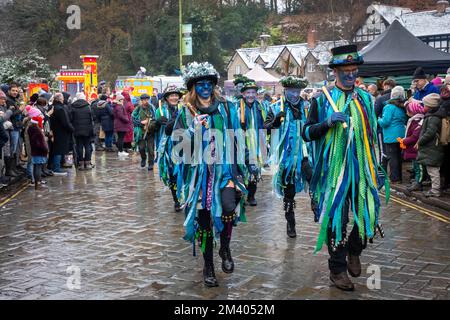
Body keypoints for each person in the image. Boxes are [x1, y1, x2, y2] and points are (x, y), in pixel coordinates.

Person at [303, 45, 385, 291]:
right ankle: (337, 270)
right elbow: (307, 133)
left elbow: (373, 137)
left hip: (361, 169)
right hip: (334, 172)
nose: (351, 75)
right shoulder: (321, 100)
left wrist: (377, 167)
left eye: (354, 70)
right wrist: (327, 123)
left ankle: (354, 249)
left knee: (368, 214)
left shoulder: (366, 99)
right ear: (335, 71)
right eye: (346, 70)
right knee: (337, 218)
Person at [168, 62, 247, 287]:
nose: (205, 88)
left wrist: (239, 170)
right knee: (203, 220)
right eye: (200, 84)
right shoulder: (185, 112)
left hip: (224, 171)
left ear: (214, 85)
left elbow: (236, 139)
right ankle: (208, 264)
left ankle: (225, 246)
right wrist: (192, 130)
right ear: (193, 87)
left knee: (228, 208)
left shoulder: (227, 108)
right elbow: (177, 149)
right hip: (199, 175)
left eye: (209, 84)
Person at [264, 76, 311, 238]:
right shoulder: (276, 107)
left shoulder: (307, 107)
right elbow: (266, 129)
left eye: (297, 91)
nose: (295, 94)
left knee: (313, 176)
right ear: (285, 90)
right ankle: (290, 223)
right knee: (288, 192)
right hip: (286, 157)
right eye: (291, 91)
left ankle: (316, 203)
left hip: (306, 153)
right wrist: (275, 121)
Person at [237, 80, 267, 207]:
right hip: (241, 142)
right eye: (248, 92)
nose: (251, 95)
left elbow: (264, 124)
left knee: (255, 169)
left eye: (253, 92)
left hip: (256, 142)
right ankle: (240, 194)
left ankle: (251, 195)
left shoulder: (260, 107)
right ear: (243, 94)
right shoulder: (237, 107)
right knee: (242, 169)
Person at [155, 85, 183, 212]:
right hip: (167, 147)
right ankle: (176, 200)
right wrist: (157, 122)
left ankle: (185, 196)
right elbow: (157, 128)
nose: (174, 97)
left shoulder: (184, 109)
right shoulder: (160, 111)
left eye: (176, 95)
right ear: (166, 98)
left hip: (183, 145)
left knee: (184, 171)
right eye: (171, 95)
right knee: (172, 173)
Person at [378, 86, 408, 184]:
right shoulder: (402, 106)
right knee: (399, 157)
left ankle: (395, 178)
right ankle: (399, 177)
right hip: (401, 134)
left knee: (393, 157)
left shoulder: (389, 107)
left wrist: (378, 119)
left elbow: (385, 122)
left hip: (391, 135)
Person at [417, 93, 445, 198]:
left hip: (433, 147)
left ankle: (435, 190)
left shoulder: (433, 117)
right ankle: (434, 189)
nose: (423, 107)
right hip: (432, 147)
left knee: (433, 170)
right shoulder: (433, 116)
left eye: (424, 105)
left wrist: (420, 141)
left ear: (429, 106)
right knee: (432, 169)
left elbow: (430, 133)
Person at [399, 101, 425, 192]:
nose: (406, 112)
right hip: (413, 149)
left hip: (416, 148)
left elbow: (415, 136)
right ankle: (416, 182)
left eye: (408, 110)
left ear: (413, 111)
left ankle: (418, 183)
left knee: (419, 168)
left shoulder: (418, 121)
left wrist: (404, 141)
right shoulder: (414, 120)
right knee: (415, 166)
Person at [50, 93, 74, 176]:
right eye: (62, 98)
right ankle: (56, 168)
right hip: (61, 132)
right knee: (59, 150)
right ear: (60, 99)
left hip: (55, 131)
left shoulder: (54, 107)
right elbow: (65, 122)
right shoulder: (60, 109)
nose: (63, 99)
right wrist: (71, 129)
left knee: (56, 150)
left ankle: (54, 167)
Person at [70, 93, 95, 170]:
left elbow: (71, 119)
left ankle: (80, 163)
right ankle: (87, 163)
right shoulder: (88, 107)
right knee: (87, 146)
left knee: (79, 146)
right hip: (87, 130)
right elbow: (93, 118)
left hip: (77, 130)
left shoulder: (73, 107)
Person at [132, 94, 156, 170]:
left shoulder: (152, 108)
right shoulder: (138, 108)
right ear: (141, 101)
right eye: (144, 100)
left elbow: (155, 118)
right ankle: (143, 159)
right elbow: (133, 119)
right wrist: (141, 123)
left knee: (151, 149)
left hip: (150, 131)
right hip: (140, 132)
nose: (145, 101)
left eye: (147, 99)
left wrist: (149, 122)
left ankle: (151, 163)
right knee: (141, 148)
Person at [27, 110, 48, 190]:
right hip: (39, 151)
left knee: (36, 166)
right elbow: (40, 143)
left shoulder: (31, 129)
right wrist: (45, 149)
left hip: (34, 151)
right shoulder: (37, 131)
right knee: (38, 167)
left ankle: (37, 183)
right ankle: (38, 183)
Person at [113, 93, 131, 157]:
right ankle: (120, 151)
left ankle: (120, 151)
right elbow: (121, 115)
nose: (123, 101)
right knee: (121, 138)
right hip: (121, 124)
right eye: (122, 100)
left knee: (120, 138)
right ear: (120, 100)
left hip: (119, 124)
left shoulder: (117, 106)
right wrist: (127, 119)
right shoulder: (119, 106)